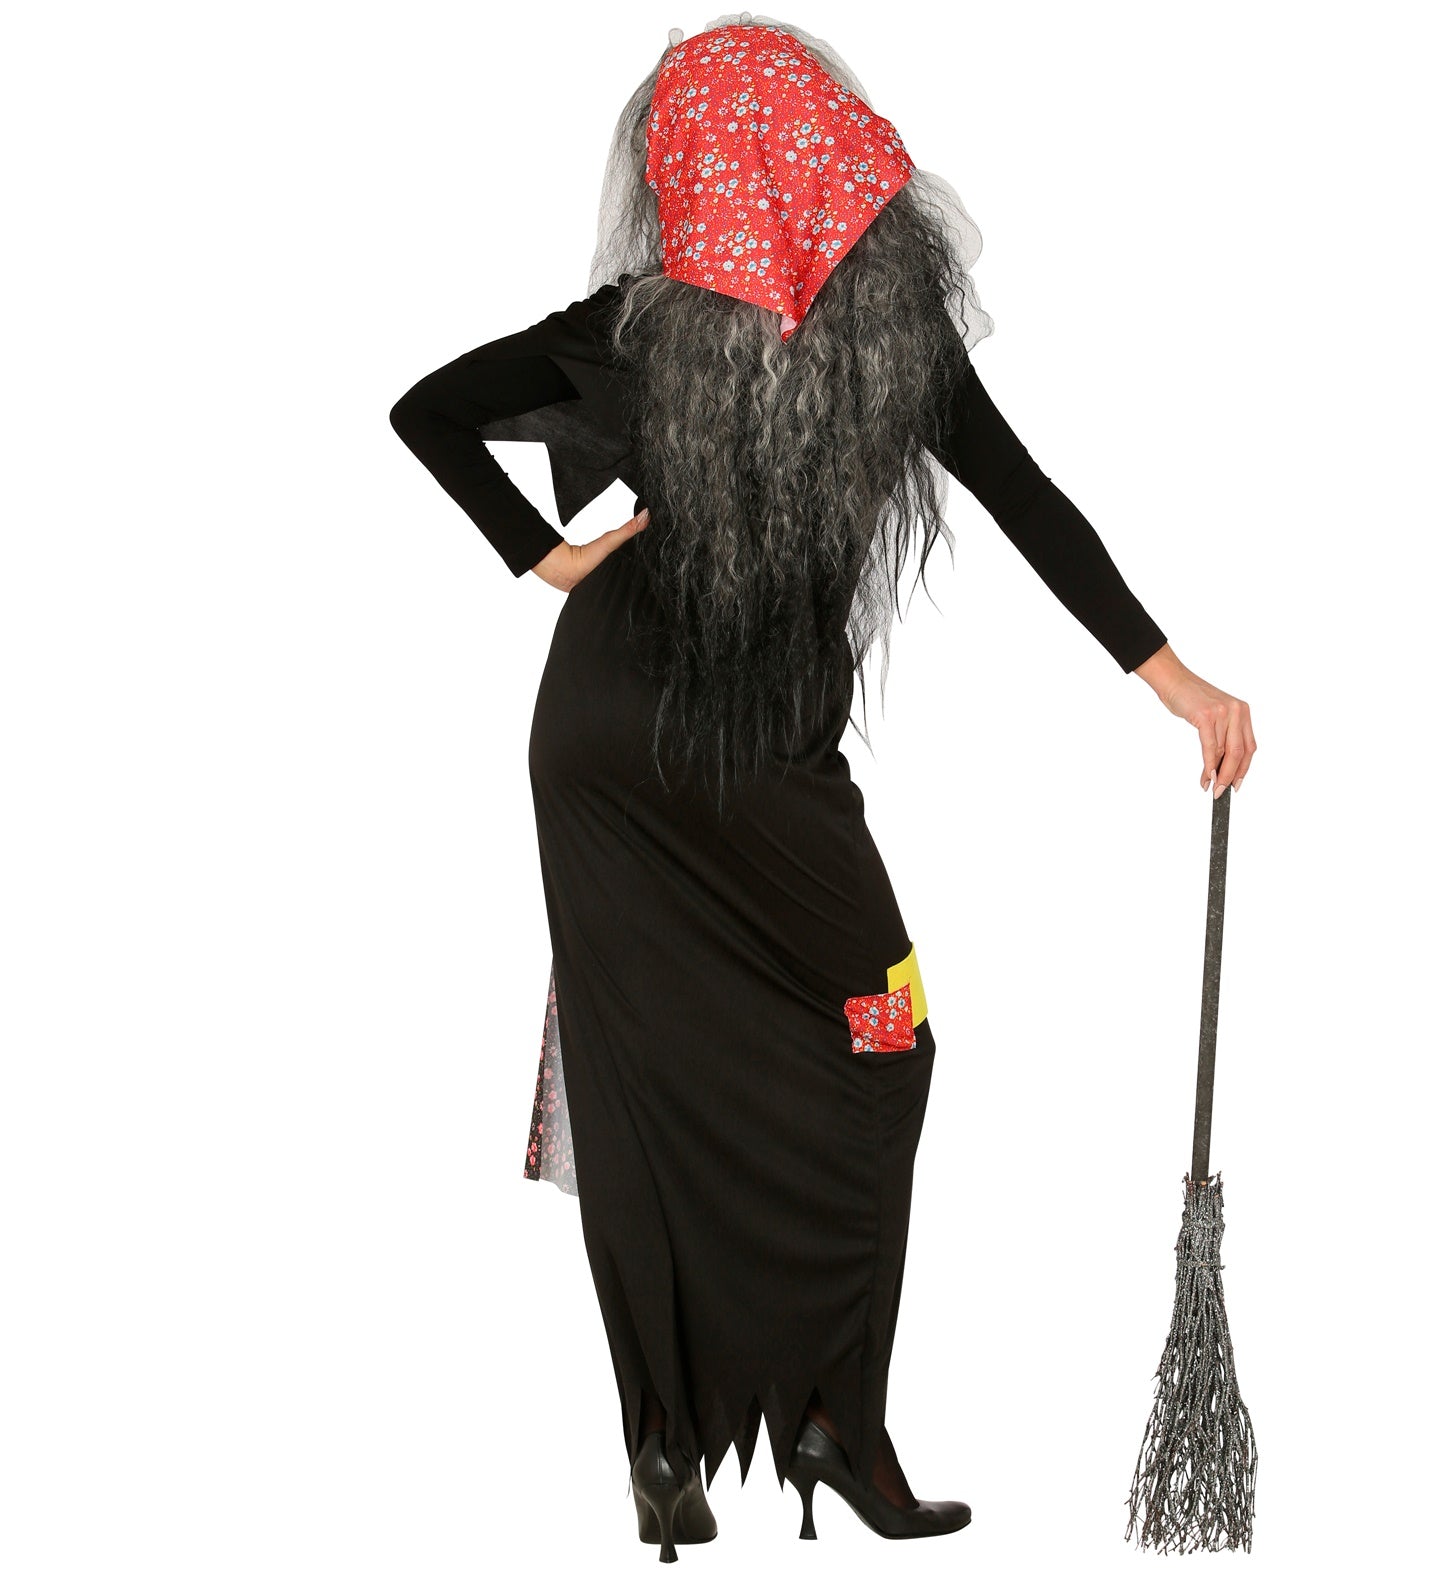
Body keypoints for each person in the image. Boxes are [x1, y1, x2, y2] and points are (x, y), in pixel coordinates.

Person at [388, 13, 1258, 1561]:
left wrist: (551, 559)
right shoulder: (803, 337)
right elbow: (1031, 506)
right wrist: (1169, 677)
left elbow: (429, 410)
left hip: (644, 748)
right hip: (681, 759)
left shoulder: (722, 329)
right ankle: (787, 1435)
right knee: (795, 1052)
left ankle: (728, 1437)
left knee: (759, 1051)